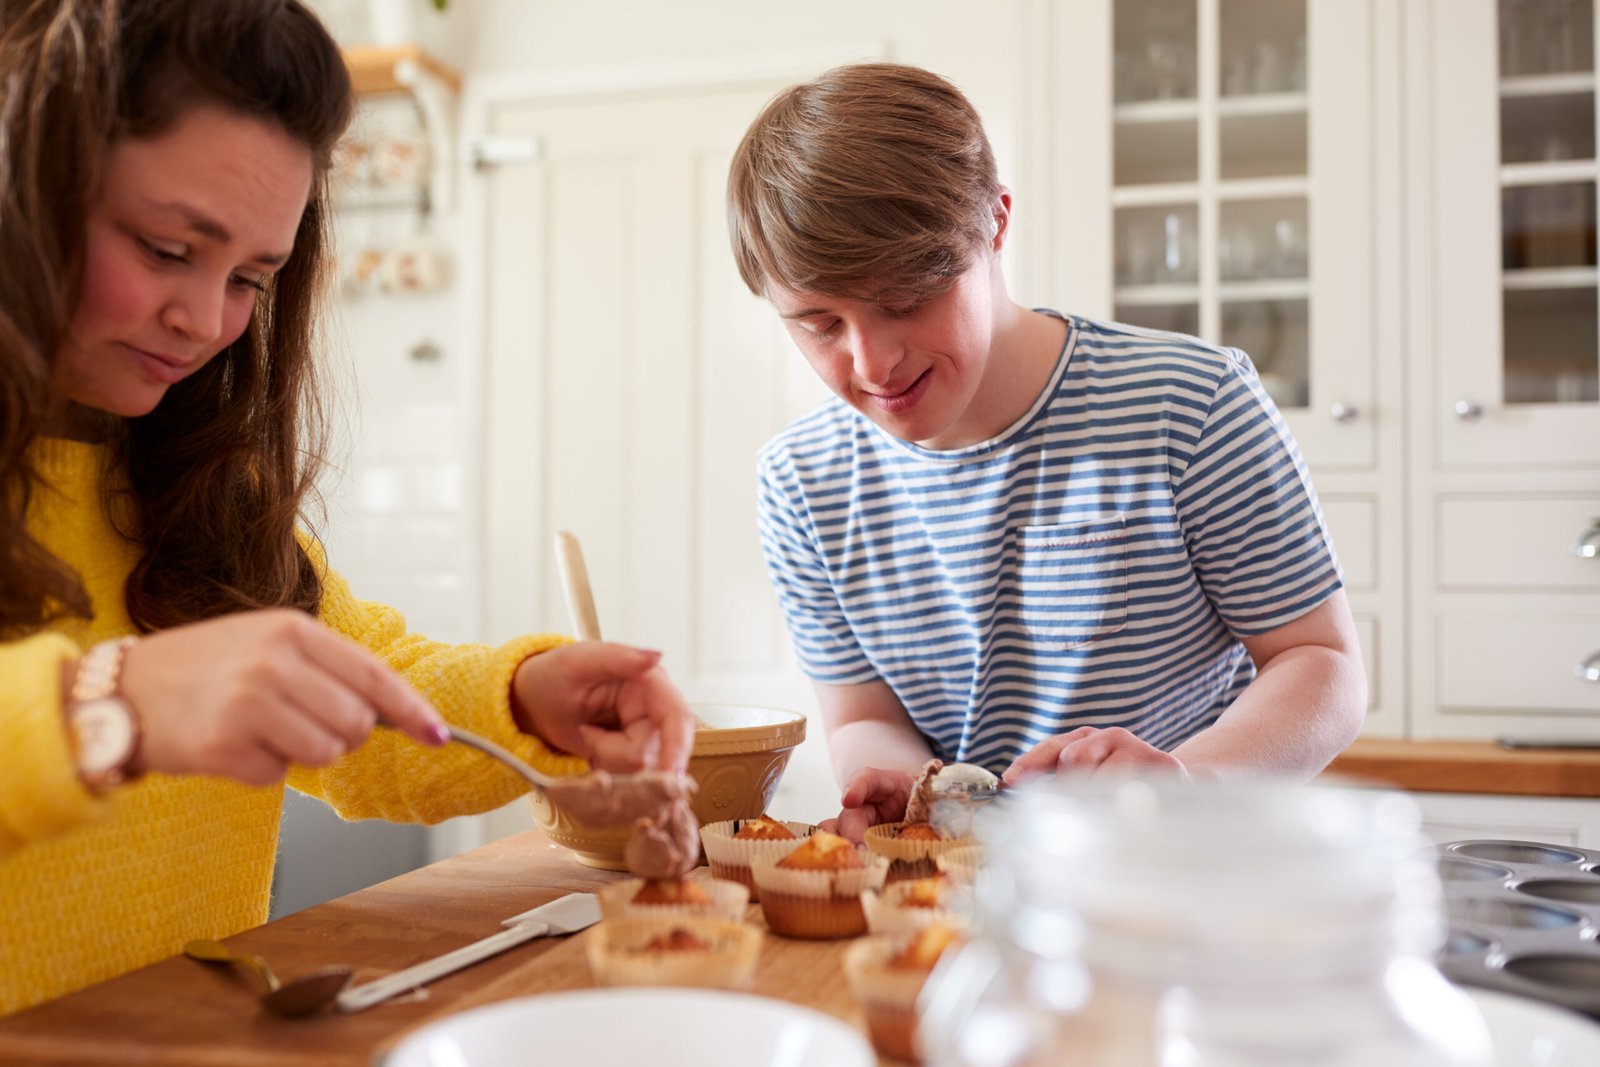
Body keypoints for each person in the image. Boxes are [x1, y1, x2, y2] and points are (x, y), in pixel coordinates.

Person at [0, 0, 694, 1017]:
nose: (204, 321)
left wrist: (524, 696)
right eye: (162, 247)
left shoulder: (188, 479)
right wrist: (106, 706)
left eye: (248, 277)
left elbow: (360, 691)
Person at [726, 62, 1366, 841]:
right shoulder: (801, 481)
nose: (871, 363)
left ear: (995, 223)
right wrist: (899, 779)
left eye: (904, 300)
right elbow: (860, 713)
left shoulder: (1190, 405)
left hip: (1191, 869)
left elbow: (1323, 667)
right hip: (956, 893)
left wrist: (1183, 784)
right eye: (819, 324)